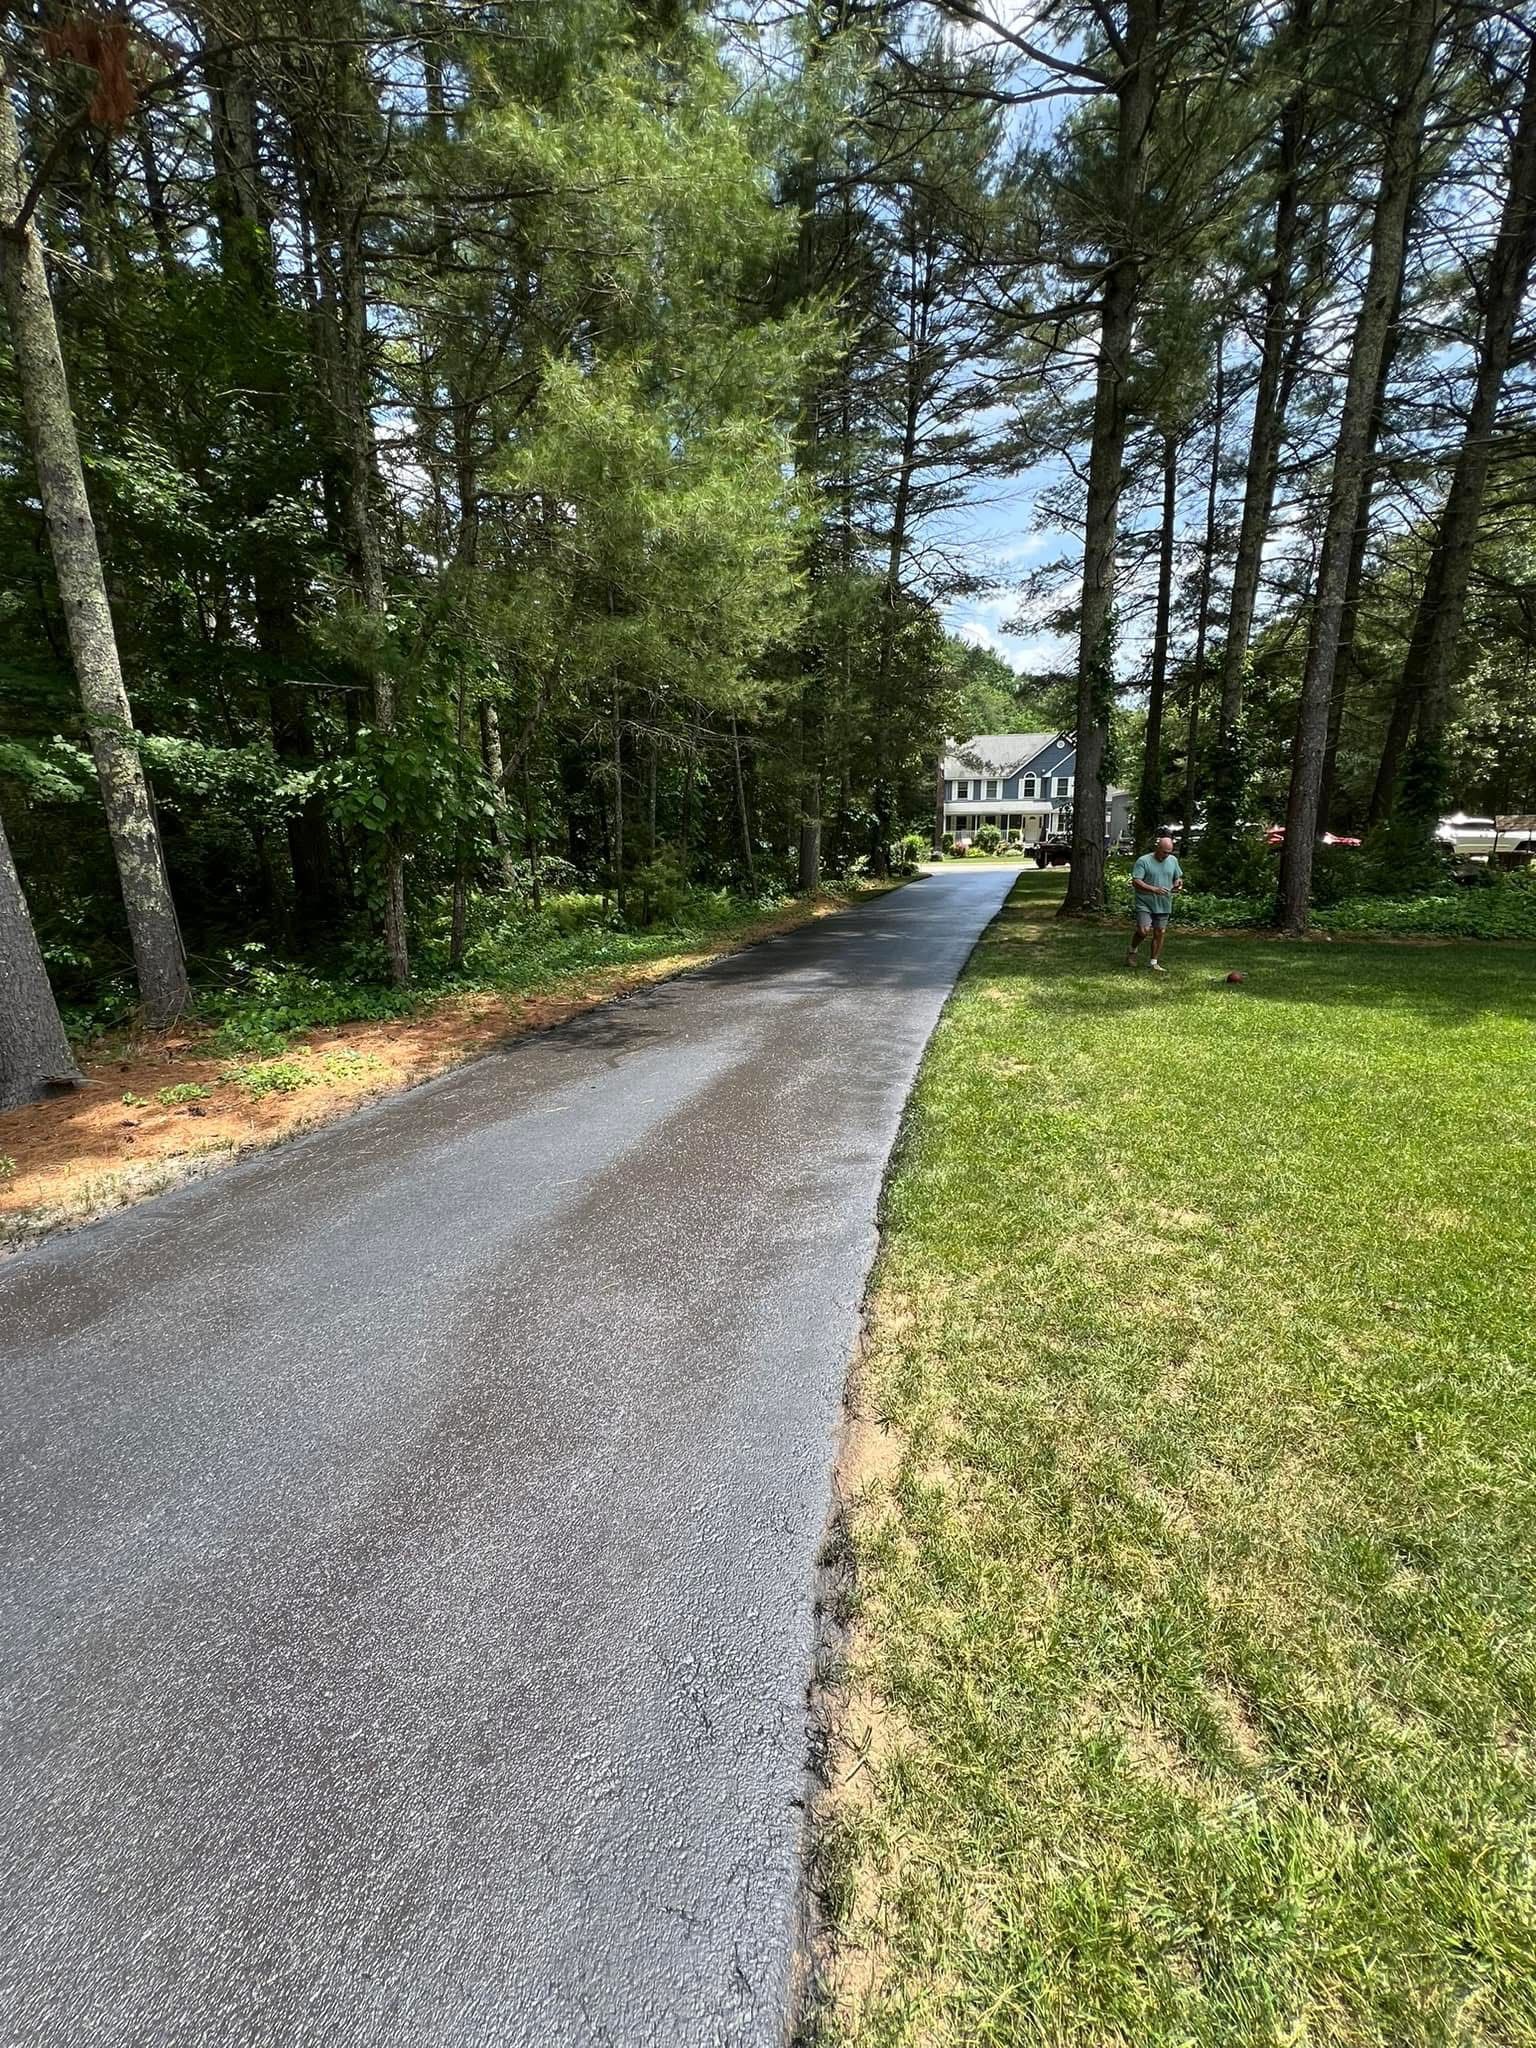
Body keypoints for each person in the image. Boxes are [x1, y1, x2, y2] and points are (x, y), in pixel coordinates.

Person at [1127, 833, 1184, 972]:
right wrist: (1154, 889)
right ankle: (1132, 950)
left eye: (1169, 852)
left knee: (1160, 932)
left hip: (1164, 902)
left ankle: (1153, 962)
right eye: (1164, 852)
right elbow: (1136, 881)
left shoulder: (1173, 860)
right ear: (1157, 848)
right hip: (1144, 902)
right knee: (1143, 931)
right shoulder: (1143, 861)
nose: (1166, 855)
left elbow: (1178, 878)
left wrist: (1178, 885)